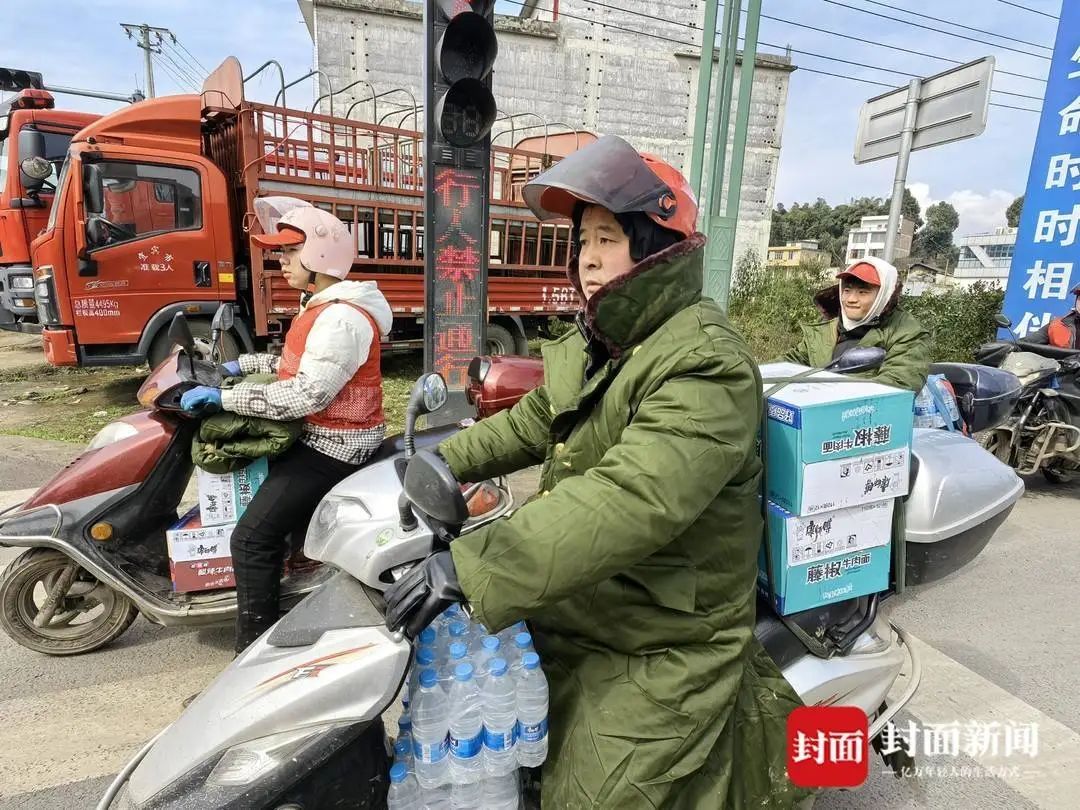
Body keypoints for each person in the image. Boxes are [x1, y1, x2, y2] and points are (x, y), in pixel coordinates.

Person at [384, 136, 810, 808]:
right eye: (582, 240)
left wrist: (478, 564)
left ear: (657, 247)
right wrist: (436, 457)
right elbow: (533, 422)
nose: (586, 256)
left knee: (586, 797)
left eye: (609, 238)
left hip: (662, 642)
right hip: (588, 605)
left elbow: (633, 496)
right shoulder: (606, 345)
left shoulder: (706, 363)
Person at [180, 198, 392, 653]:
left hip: (337, 446)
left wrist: (225, 397)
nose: (282, 261)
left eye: (290, 252)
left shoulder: (341, 318)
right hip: (318, 436)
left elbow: (304, 395)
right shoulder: (323, 306)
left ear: (319, 256)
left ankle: (253, 658)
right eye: (281, 253)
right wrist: (236, 367)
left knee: (252, 539)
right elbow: (294, 366)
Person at [781, 256, 931, 392]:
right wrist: (759, 375)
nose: (851, 299)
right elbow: (791, 361)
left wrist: (829, 395)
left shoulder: (907, 332)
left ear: (883, 295)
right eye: (847, 290)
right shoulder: (828, 328)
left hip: (864, 418)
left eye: (862, 292)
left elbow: (898, 385)